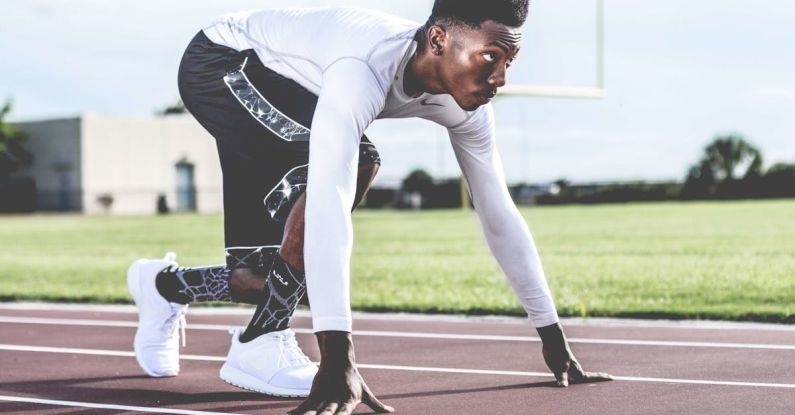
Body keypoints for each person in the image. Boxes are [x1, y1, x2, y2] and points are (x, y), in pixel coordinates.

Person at [127, 1, 612, 413]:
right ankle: (260, 343)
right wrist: (337, 359)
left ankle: (164, 286)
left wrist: (553, 340)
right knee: (358, 162)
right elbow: (329, 203)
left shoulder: (469, 108)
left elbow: (499, 214)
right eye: (491, 57)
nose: (500, 77)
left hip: (289, 83)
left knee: (259, 277)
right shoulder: (362, 68)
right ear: (438, 40)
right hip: (222, 63)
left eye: (510, 61)